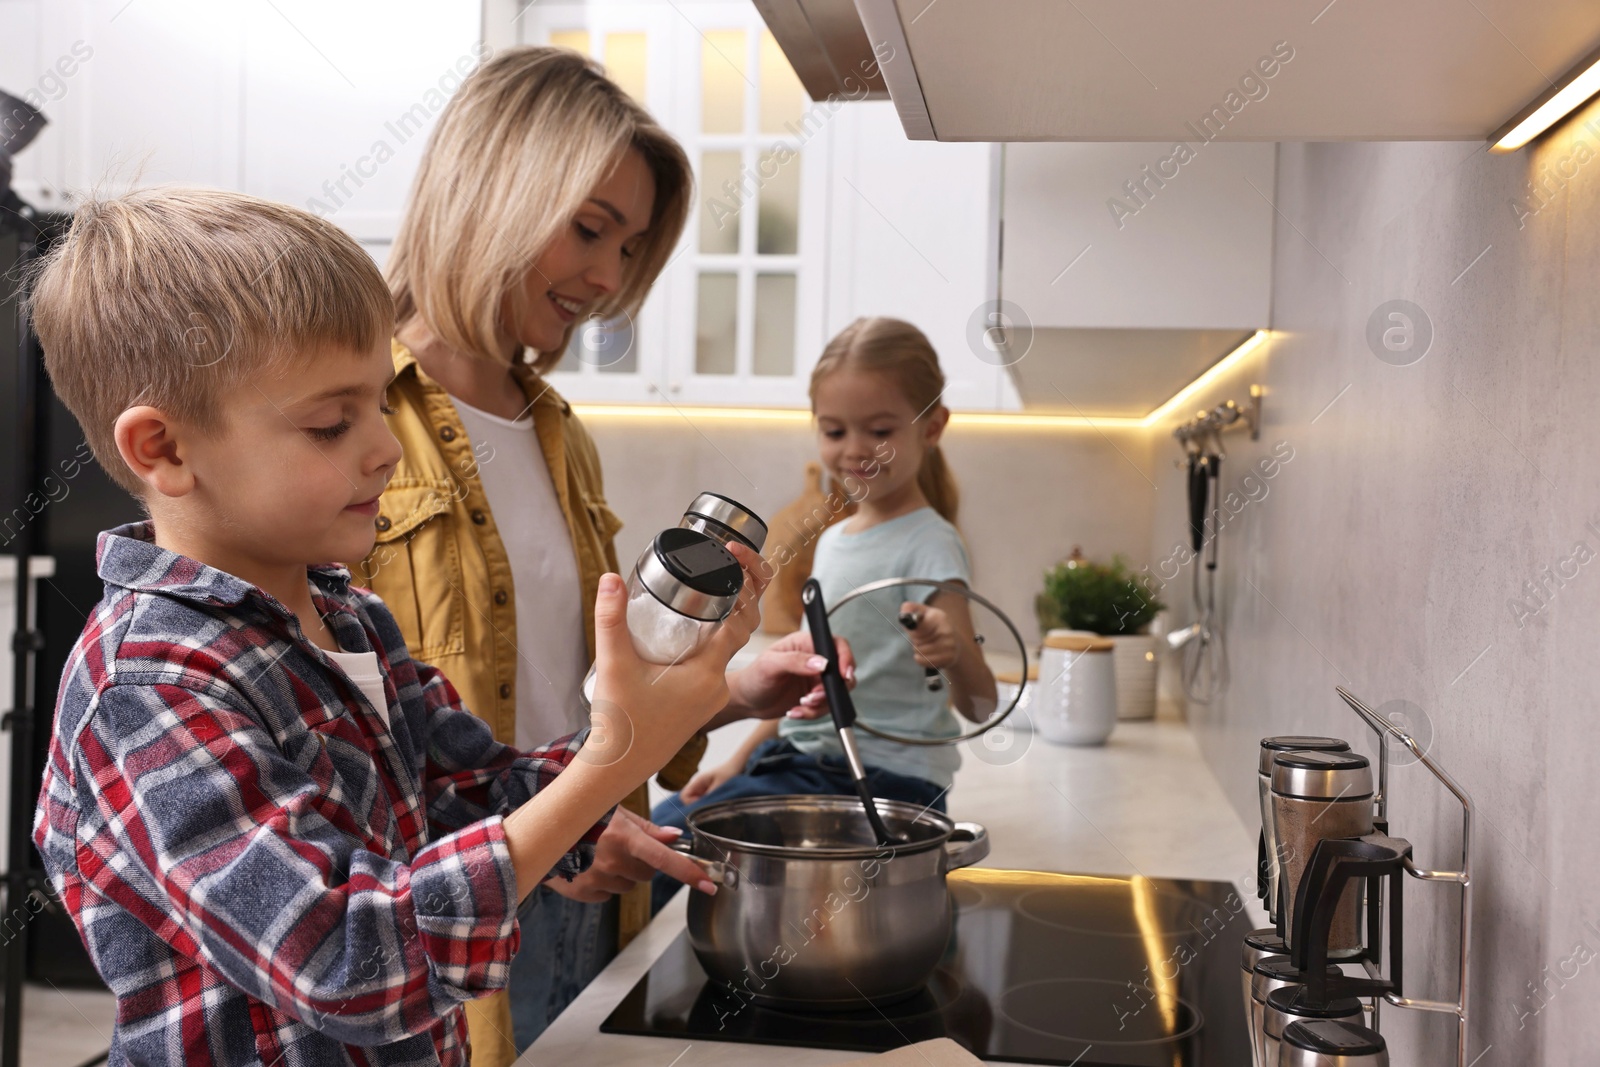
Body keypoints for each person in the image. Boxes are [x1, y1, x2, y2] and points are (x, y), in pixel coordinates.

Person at [27, 186, 767, 1066]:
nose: (385, 446)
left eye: (380, 402)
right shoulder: (149, 686)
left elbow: (472, 791)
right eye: (332, 423)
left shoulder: (347, 612)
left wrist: (651, 700)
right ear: (166, 449)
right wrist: (619, 757)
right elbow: (348, 957)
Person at [355, 46, 844, 1060]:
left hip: (597, 876)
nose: (609, 278)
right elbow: (339, 733)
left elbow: (587, 699)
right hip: (451, 911)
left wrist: (727, 684)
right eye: (589, 230)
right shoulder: (355, 417)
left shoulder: (557, 432)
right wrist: (552, 823)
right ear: (490, 189)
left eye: (627, 248)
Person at [651, 317, 998, 909]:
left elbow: (981, 703)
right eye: (835, 430)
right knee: (661, 831)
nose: (855, 450)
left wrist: (954, 651)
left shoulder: (931, 545)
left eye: (880, 429)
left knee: (666, 855)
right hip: (800, 762)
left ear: (933, 426)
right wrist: (737, 761)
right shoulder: (835, 540)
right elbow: (810, 681)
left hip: (885, 785)